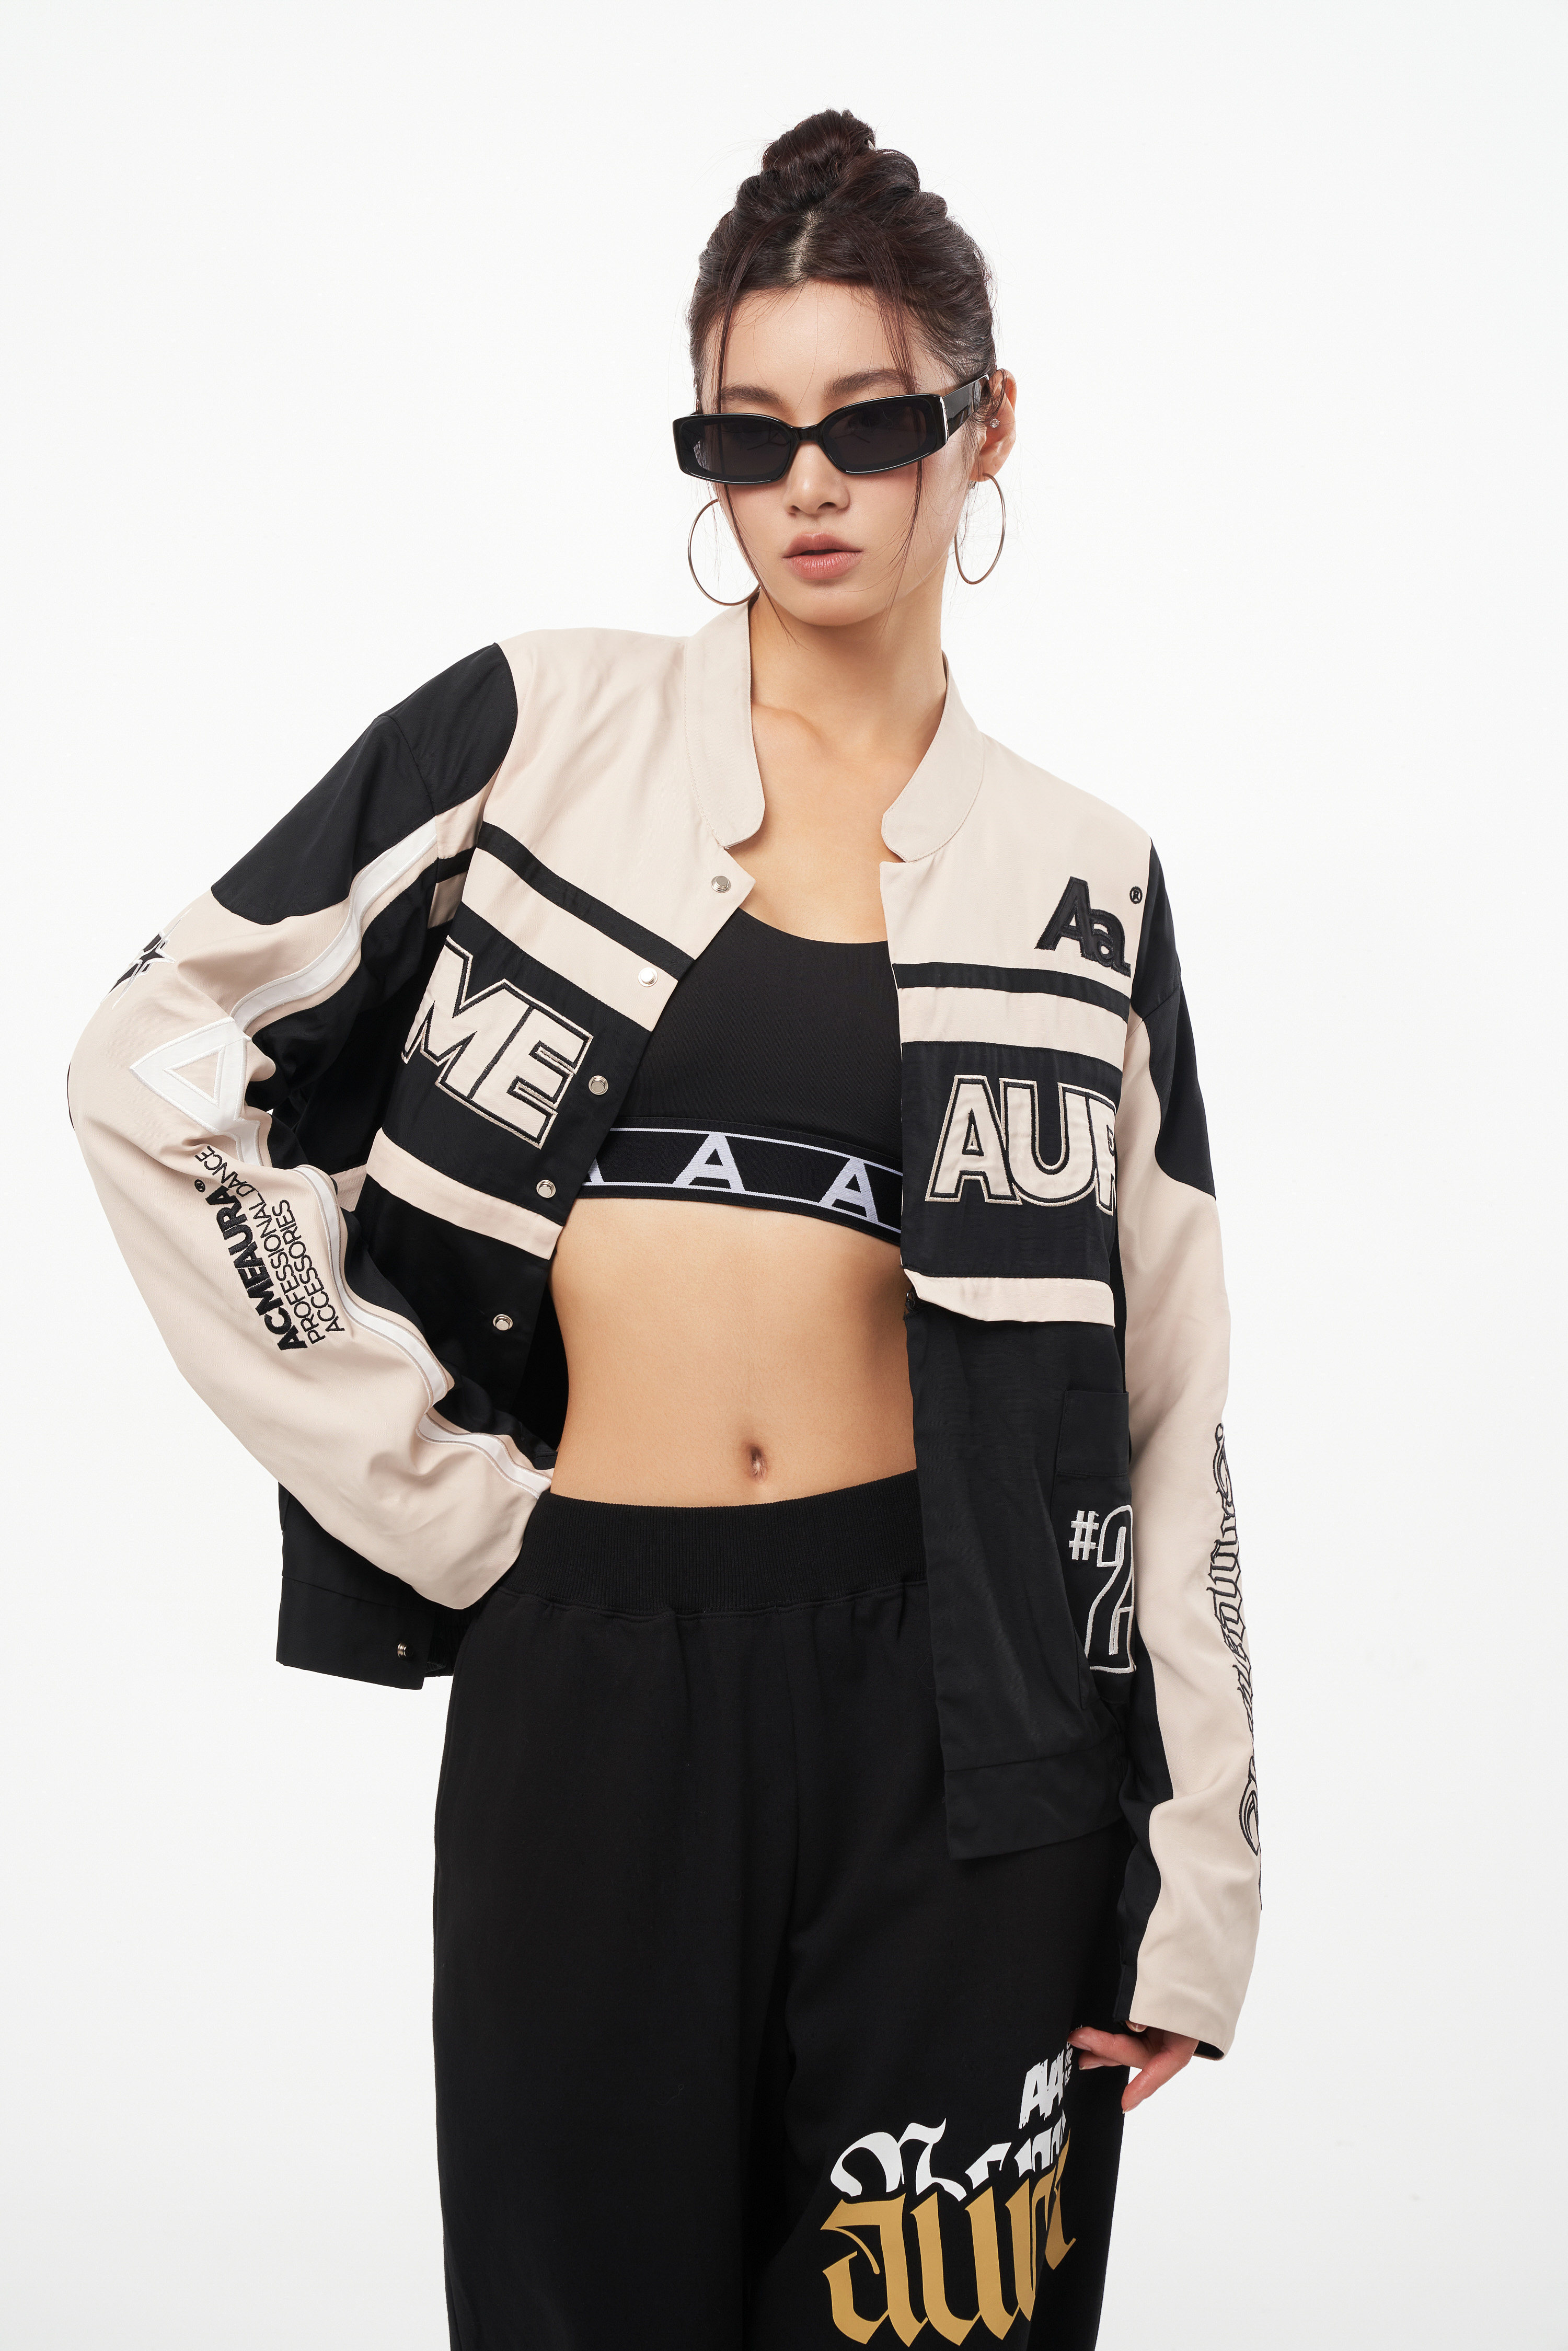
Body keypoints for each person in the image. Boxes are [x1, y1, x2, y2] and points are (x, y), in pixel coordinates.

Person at [69, 108, 1260, 2351]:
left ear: (988, 425)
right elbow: (150, 1058)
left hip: (965, 1728)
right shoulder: (537, 731)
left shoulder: (1086, 878)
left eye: (871, 423)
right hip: (590, 1672)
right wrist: (423, 1483)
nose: (808, 487)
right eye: (744, 434)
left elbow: (1168, 1396)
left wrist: (1198, 1868)